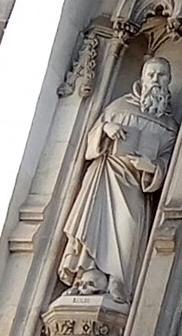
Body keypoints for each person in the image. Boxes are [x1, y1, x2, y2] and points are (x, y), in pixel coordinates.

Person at [56, 59, 175, 303]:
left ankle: (120, 281)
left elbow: (169, 161)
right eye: (151, 74)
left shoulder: (170, 125)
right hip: (105, 177)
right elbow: (90, 143)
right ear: (142, 77)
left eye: (161, 75)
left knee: (127, 231)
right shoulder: (118, 107)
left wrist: (152, 167)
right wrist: (105, 129)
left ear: (169, 81)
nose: (155, 79)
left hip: (136, 187)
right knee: (96, 226)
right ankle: (89, 275)